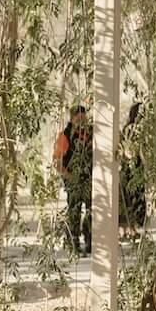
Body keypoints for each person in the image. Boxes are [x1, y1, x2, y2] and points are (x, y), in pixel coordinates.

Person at [53, 105, 93, 255]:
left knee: (91, 210)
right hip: (73, 180)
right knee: (74, 211)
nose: (82, 121)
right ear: (72, 118)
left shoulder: (90, 134)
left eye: (84, 117)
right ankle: (73, 242)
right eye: (79, 118)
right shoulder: (65, 136)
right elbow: (57, 161)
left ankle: (90, 240)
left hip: (89, 180)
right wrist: (69, 177)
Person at [120, 101, 148, 236]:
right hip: (136, 165)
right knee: (138, 195)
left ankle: (131, 226)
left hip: (128, 166)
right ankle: (137, 226)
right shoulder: (136, 130)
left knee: (130, 196)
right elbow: (140, 149)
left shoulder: (126, 128)